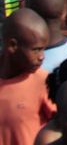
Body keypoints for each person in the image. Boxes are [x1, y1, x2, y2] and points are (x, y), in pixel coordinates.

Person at [0, 9, 53, 145]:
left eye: (44, 49)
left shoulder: (44, 82)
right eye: (36, 50)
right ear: (13, 46)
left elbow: (63, 126)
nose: (42, 57)